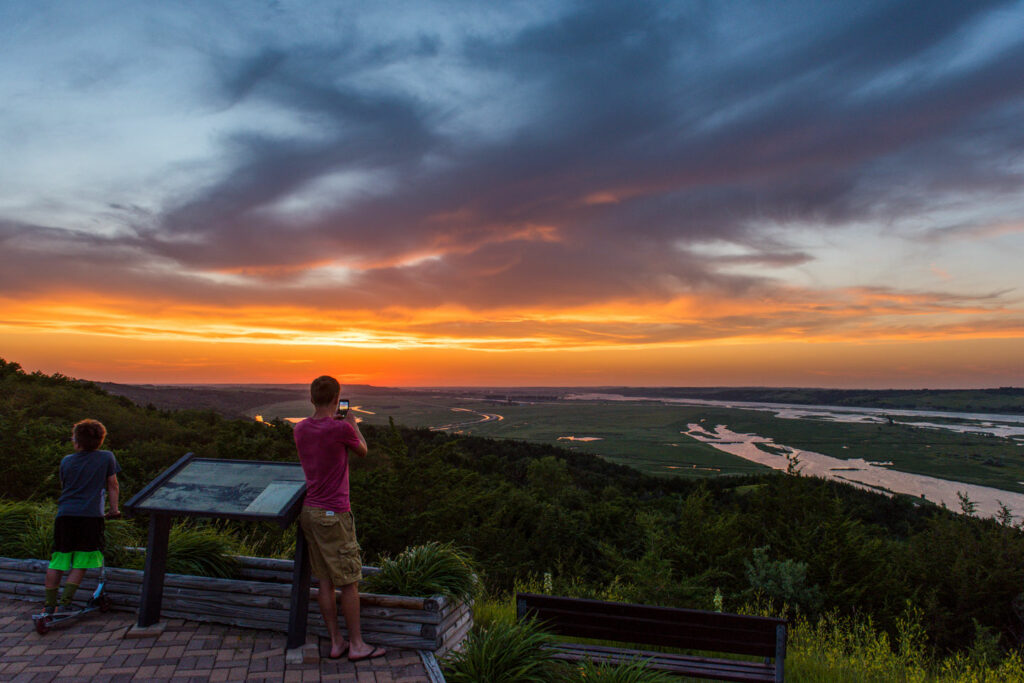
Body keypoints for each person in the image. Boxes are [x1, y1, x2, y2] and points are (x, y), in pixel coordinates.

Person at [294, 375, 385, 662]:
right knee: (349, 582)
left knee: (324, 581)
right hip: (335, 514)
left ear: (311, 399)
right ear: (337, 399)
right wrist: (353, 423)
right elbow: (363, 450)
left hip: (310, 512)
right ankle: (357, 645)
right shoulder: (339, 429)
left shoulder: (300, 429)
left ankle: (336, 642)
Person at [44, 419, 121, 615]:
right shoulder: (106, 458)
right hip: (90, 517)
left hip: (65, 515)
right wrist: (114, 509)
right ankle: (65, 603)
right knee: (82, 560)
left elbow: (65, 486)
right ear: (100, 440)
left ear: (77, 442)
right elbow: (112, 485)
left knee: (58, 559)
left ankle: (49, 605)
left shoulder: (66, 460)